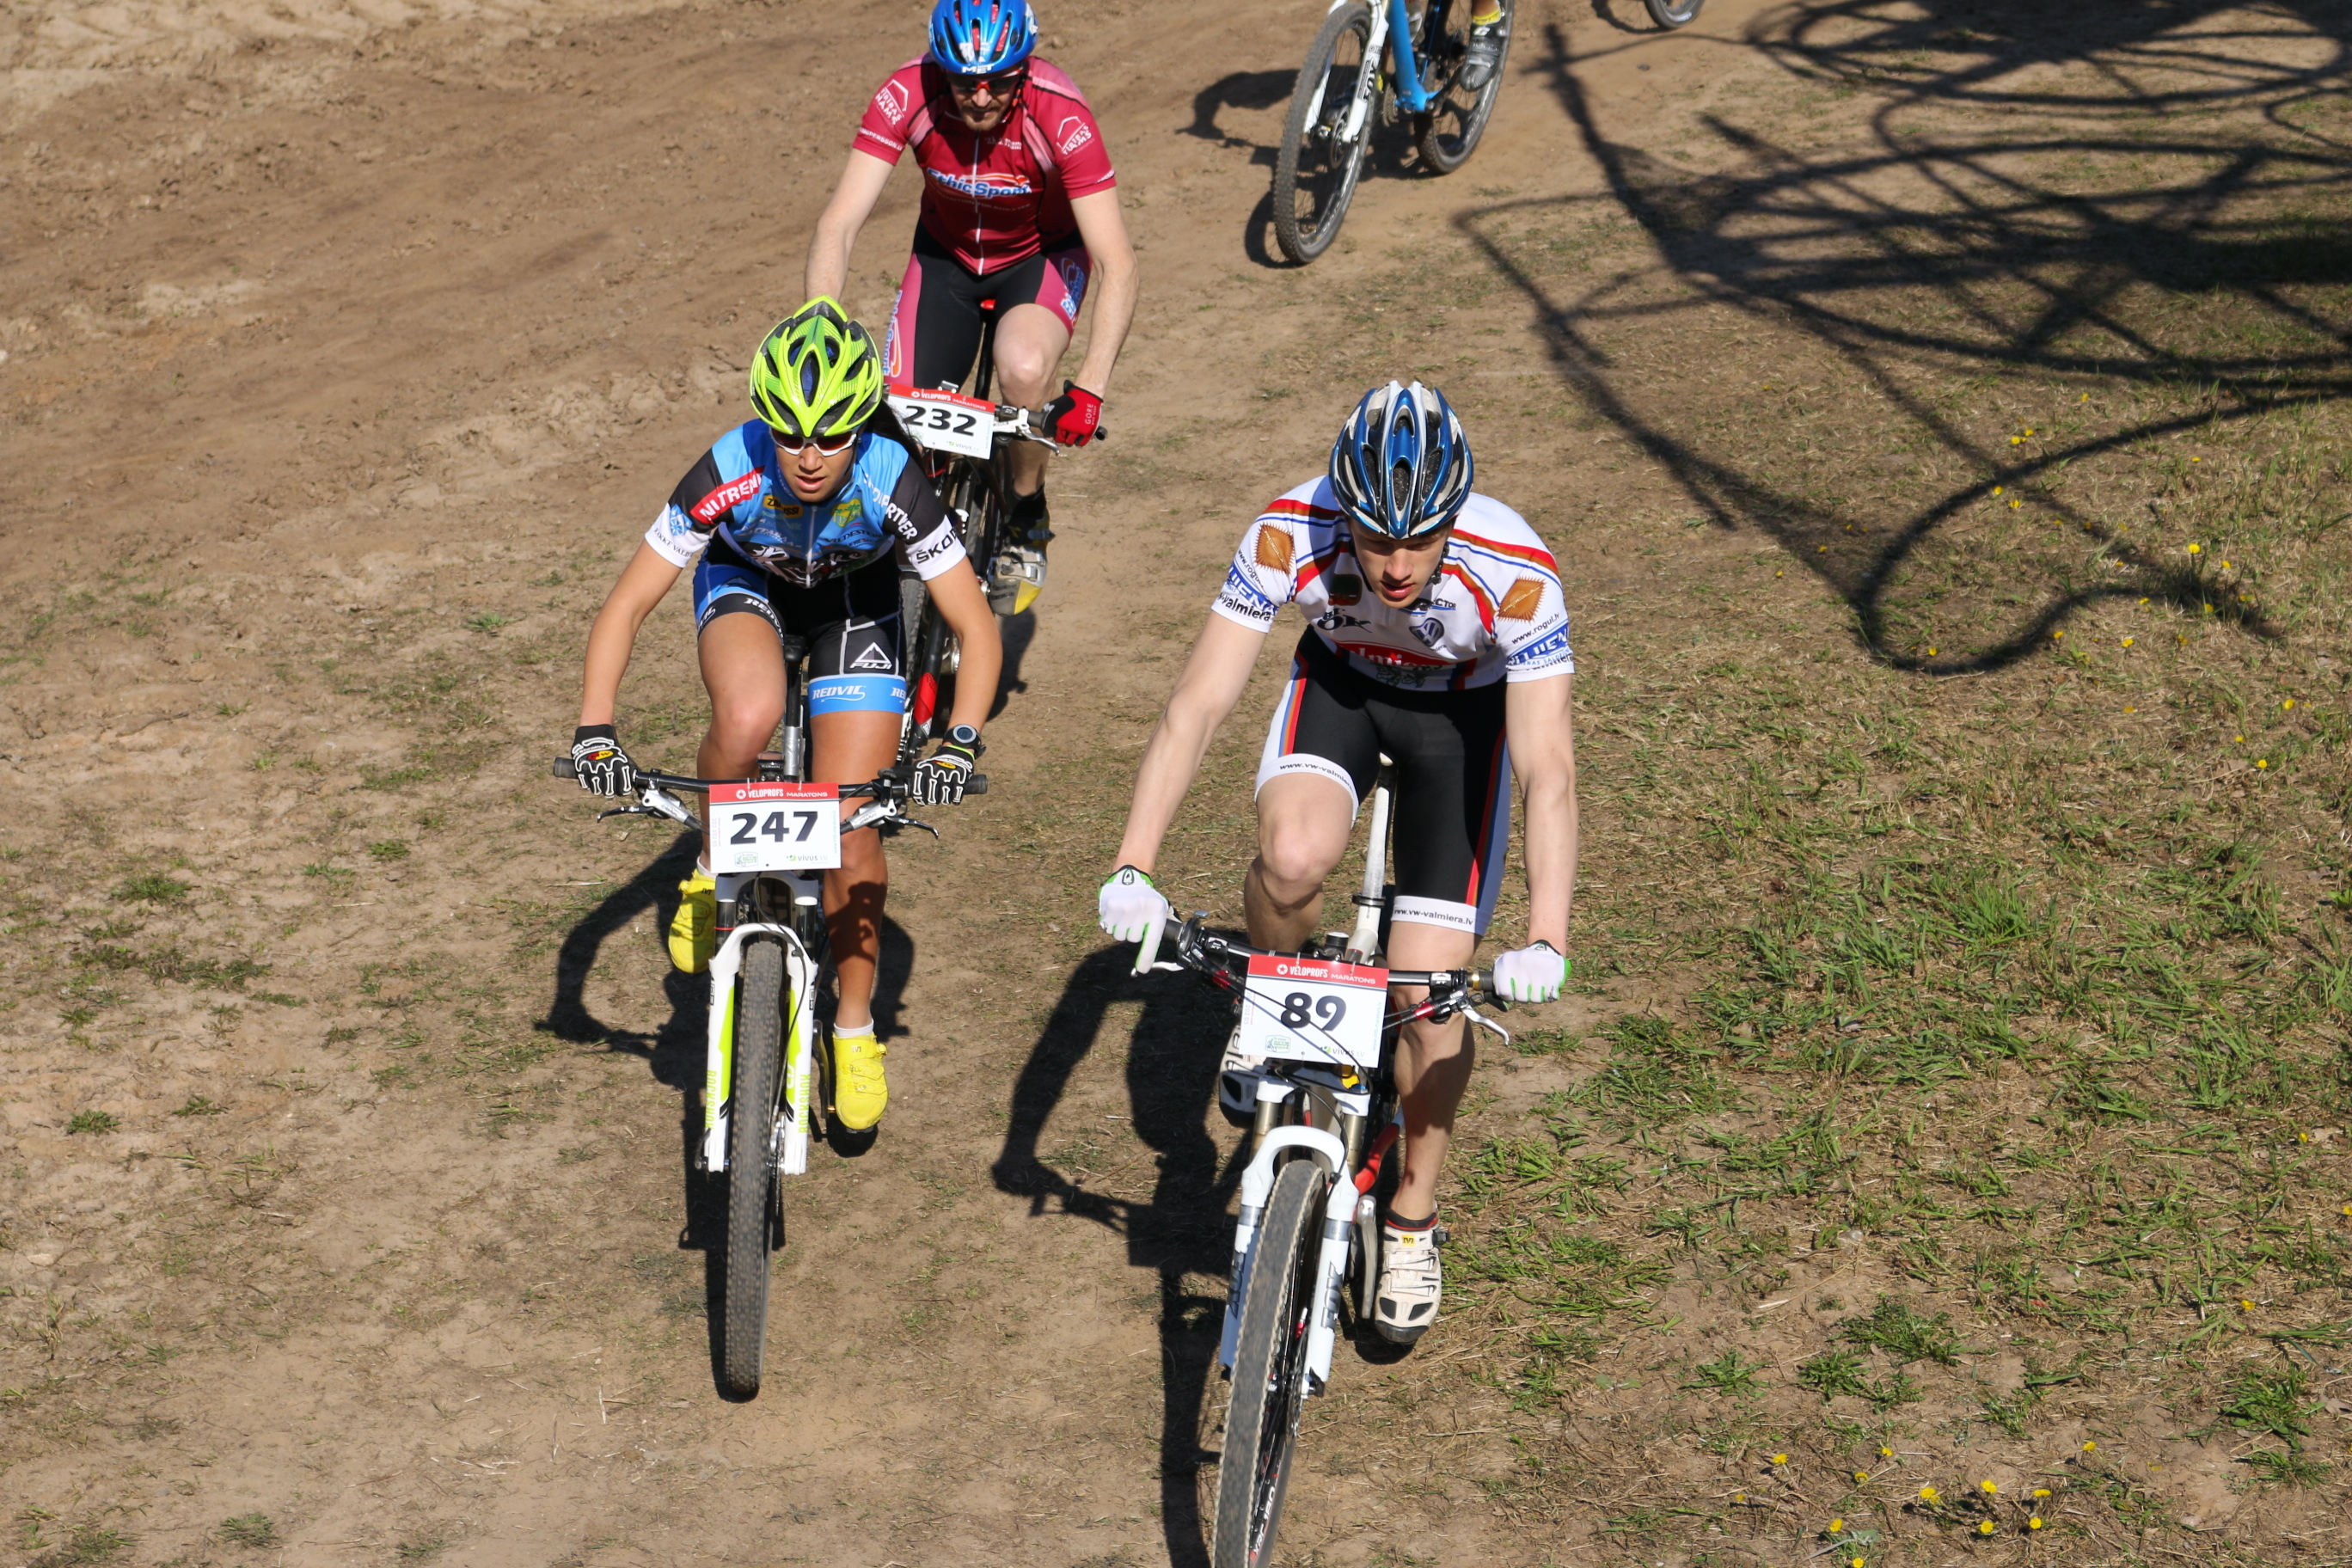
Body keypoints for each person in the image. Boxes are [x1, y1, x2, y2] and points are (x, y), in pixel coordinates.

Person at [1094, 381, 1578, 1346]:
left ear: (1454, 519)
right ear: (1342, 511)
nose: (1396, 566)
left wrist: (1546, 934)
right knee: (1291, 858)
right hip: (1341, 694)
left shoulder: (1517, 571)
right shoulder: (1288, 532)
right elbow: (1198, 703)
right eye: (1375, 538)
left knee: (1427, 996)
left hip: (1462, 725)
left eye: (1420, 542)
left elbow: (1547, 769)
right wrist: (1134, 865)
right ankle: (1269, 1009)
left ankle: (1413, 1216)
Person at [568, 298, 1002, 1135]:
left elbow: (975, 625)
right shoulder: (728, 467)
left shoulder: (892, 477)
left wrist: (958, 742)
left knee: (852, 823)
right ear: (764, 422)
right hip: (748, 584)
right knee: (749, 713)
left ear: (860, 428)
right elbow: (626, 604)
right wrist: (596, 727)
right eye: (790, 434)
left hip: (855, 606)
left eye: (833, 436)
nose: (808, 457)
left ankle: (853, 1028)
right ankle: (711, 860)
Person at [805, 0, 1140, 616]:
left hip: (1039, 257)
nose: (981, 99)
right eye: (963, 82)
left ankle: (1026, 508)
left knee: (1025, 369)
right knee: (896, 410)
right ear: (941, 67)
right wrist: (819, 324)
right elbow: (839, 224)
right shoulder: (907, 93)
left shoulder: (1062, 114)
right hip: (946, 259)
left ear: (1024, 68)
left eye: (1000, 82)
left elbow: (1118, 261)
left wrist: (1091, 387)